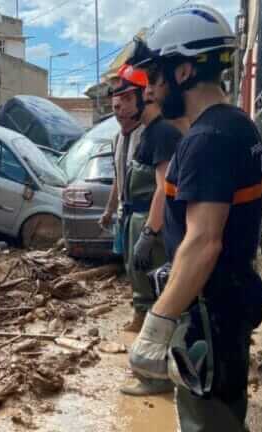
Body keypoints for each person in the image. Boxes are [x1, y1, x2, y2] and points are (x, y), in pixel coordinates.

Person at [128, 5, 262, 431]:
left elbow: (204, 241)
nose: (148, 91)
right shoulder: (234, 126)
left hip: (210, 319)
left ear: (184, 71)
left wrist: (158, 323)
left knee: (208, 423)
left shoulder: (208, 139)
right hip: (224, 311)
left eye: (155, 78)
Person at [112, 62, 183, 397]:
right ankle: (153, 370)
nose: (122, 108)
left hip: (152, 227)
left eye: (128, 99)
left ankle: (157, 376)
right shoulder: (149, 133)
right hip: (140, 222)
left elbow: (163, 189)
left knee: (159, 296)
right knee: (144, 289)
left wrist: (150, 233)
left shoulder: (164, 133)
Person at [99, 69, 144, 332]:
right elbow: (118, 177)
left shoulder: (146, 135)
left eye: (124, 104)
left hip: (144, 213)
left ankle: (145, 315)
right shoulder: (118, 139)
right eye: (115, 107)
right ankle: (139, 311)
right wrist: (108, 211)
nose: (119, 112)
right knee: (129, 265)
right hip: (125, 214)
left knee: (143, 266)